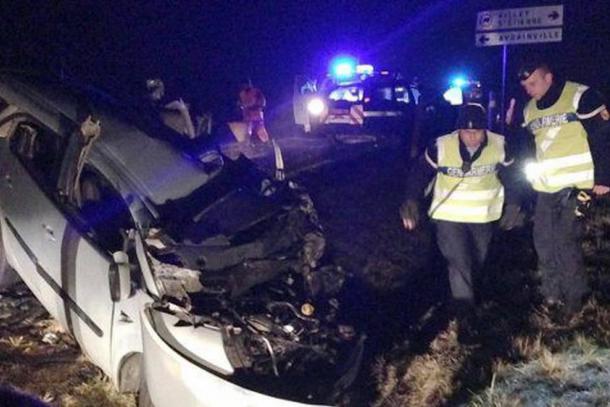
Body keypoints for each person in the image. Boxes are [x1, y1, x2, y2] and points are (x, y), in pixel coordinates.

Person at [400, 103, 522, 342]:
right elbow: (419, 174)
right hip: (449, 215)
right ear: (458, 131)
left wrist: (514, 205)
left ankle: (469, 296)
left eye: (477, 132)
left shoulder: (500, 146)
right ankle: (465, 317)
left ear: (485, 130)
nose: (472, 137)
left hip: (483, 216)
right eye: (467, 132)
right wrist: (411, 201)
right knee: (459, 263)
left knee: (478, 260)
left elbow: (513, 177)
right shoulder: (441, 146)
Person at [517, 60, 610, 319]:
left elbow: (603, 136)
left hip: (577, 186)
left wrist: (603, 178)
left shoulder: (582, 96)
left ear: (549, 78)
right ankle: (551, 294)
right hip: (546, 186)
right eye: (525, 86)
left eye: (533, 83)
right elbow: (528, 146)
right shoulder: (528, 110)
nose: (529, 90)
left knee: (565, 240)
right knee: (543, 240)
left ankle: (575, 297)